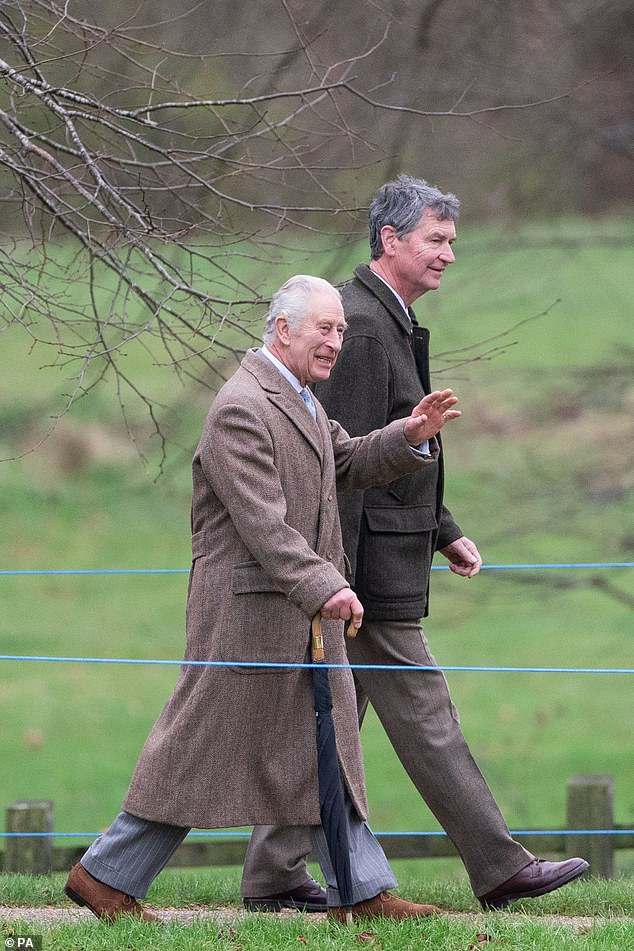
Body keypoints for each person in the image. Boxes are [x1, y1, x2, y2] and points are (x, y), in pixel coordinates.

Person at [63, 274, 464, 923]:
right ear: (283, 329)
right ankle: (104, 875)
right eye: (324, 329)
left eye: (340, 329)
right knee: (197, 751)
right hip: (246, 619)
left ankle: (360, 890)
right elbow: (264, 524)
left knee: (327, 747)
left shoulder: (299, 399)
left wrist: (410, 434)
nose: (336, 341)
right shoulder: (241, 407)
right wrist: (327, 583)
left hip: (294, 615)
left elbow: (351, 459)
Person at [242, 177, 589, 911]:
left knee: (325, 728)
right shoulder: (361, 326)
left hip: (376, 567)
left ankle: (273, 876)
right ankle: (500, 866)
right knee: (428, 720)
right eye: (436, 239)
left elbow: (392, 448)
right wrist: (337, 583)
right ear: (390, 241)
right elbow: (339, 464)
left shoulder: (383, 318)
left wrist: (445, 531)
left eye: (451, 240)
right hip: (366, 579)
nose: (450, 255)